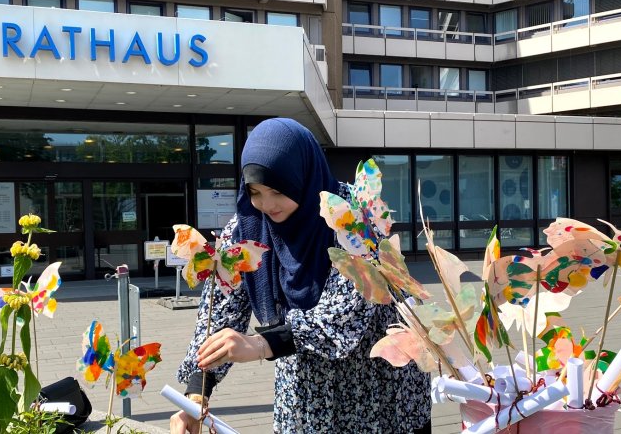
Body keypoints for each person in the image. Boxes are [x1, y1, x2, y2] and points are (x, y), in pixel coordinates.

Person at [170, 118, 431, 433]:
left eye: (278, 191)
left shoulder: (352, 218)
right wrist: (197, 392)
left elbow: (342, 316)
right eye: (254, 191)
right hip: (302, 393)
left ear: (303, 177)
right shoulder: (247, 227)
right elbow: (220, 312)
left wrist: (261, 343)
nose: (267, 204)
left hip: (377, 392)